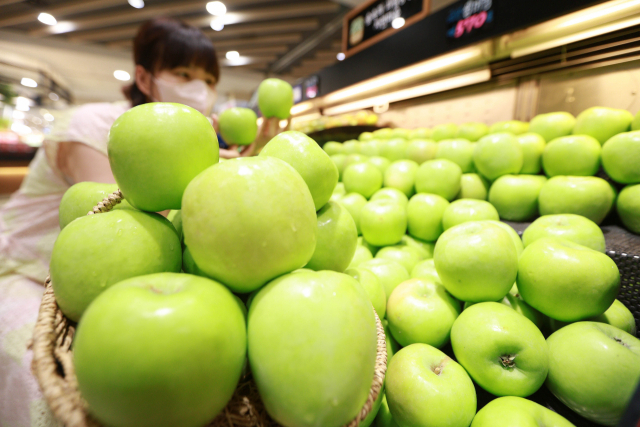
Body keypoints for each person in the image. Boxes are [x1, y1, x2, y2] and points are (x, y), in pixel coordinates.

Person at [0, 17, 281, 427]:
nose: (198, 88)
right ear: (145, 78)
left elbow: (197, 198)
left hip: (122, 275)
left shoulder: (191, 135)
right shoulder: (95, 124)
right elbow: (124, 205)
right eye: (183, 73)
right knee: (41, 377)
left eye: (207, 78)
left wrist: (254, 156)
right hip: (32, 271)